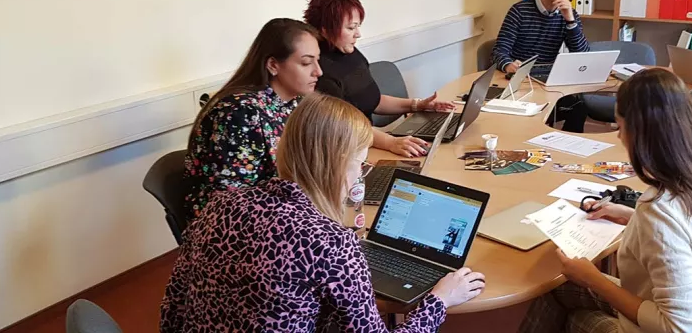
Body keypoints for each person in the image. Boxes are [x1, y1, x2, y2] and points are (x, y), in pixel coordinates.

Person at [161, 94, 486, 332]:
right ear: (336, 164)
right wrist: (439, 301)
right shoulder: (331, 244)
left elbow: (173, 305)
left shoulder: (220, 205)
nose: (361, 174)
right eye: (360, 163)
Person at [519, 68, 692, 333]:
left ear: (641, 134)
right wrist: (631, 216)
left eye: (620, 127)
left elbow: (679, 328)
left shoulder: (660, 212)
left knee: (576, 317)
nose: (619, 137)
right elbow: (688, 235)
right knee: (560, 287)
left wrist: (594, 279)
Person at [182, 18, 322, 217]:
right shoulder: (238, 113)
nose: (318, 71)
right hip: (229, 226)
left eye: (318, 60)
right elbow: (232, 202)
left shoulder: (292, 102)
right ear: (273, 65)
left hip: (277, 210)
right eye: (306, 62)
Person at [305, 0, 456, 158]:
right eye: (351, 28)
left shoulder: (349, 53)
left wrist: (417, 105)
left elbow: (373, 100)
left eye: (358, 26)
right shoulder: (320, 72)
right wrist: (390, 142)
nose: (358, 34)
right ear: (325, 29)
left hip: (368, 142)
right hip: (347, 151)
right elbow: (344, 127)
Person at [492, 0, 591, 74]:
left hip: (548, 77)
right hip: (520, 76)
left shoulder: (570, 14)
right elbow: (498, 51)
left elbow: (583, 57)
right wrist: (508, 65)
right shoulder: (519, 11)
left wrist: (570, 21)